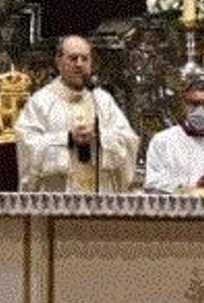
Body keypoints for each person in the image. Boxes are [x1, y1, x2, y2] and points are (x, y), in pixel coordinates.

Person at [15, 36, 139, 193]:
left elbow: (128, 140)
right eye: (73, 58)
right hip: (58, 198)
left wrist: (100, 137)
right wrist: (68, 138)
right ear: (59, 62)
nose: (79, 64)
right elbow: (27, 146)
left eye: (84, 59)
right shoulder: (41, 102)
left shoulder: (102, 100)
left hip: (100, 197)